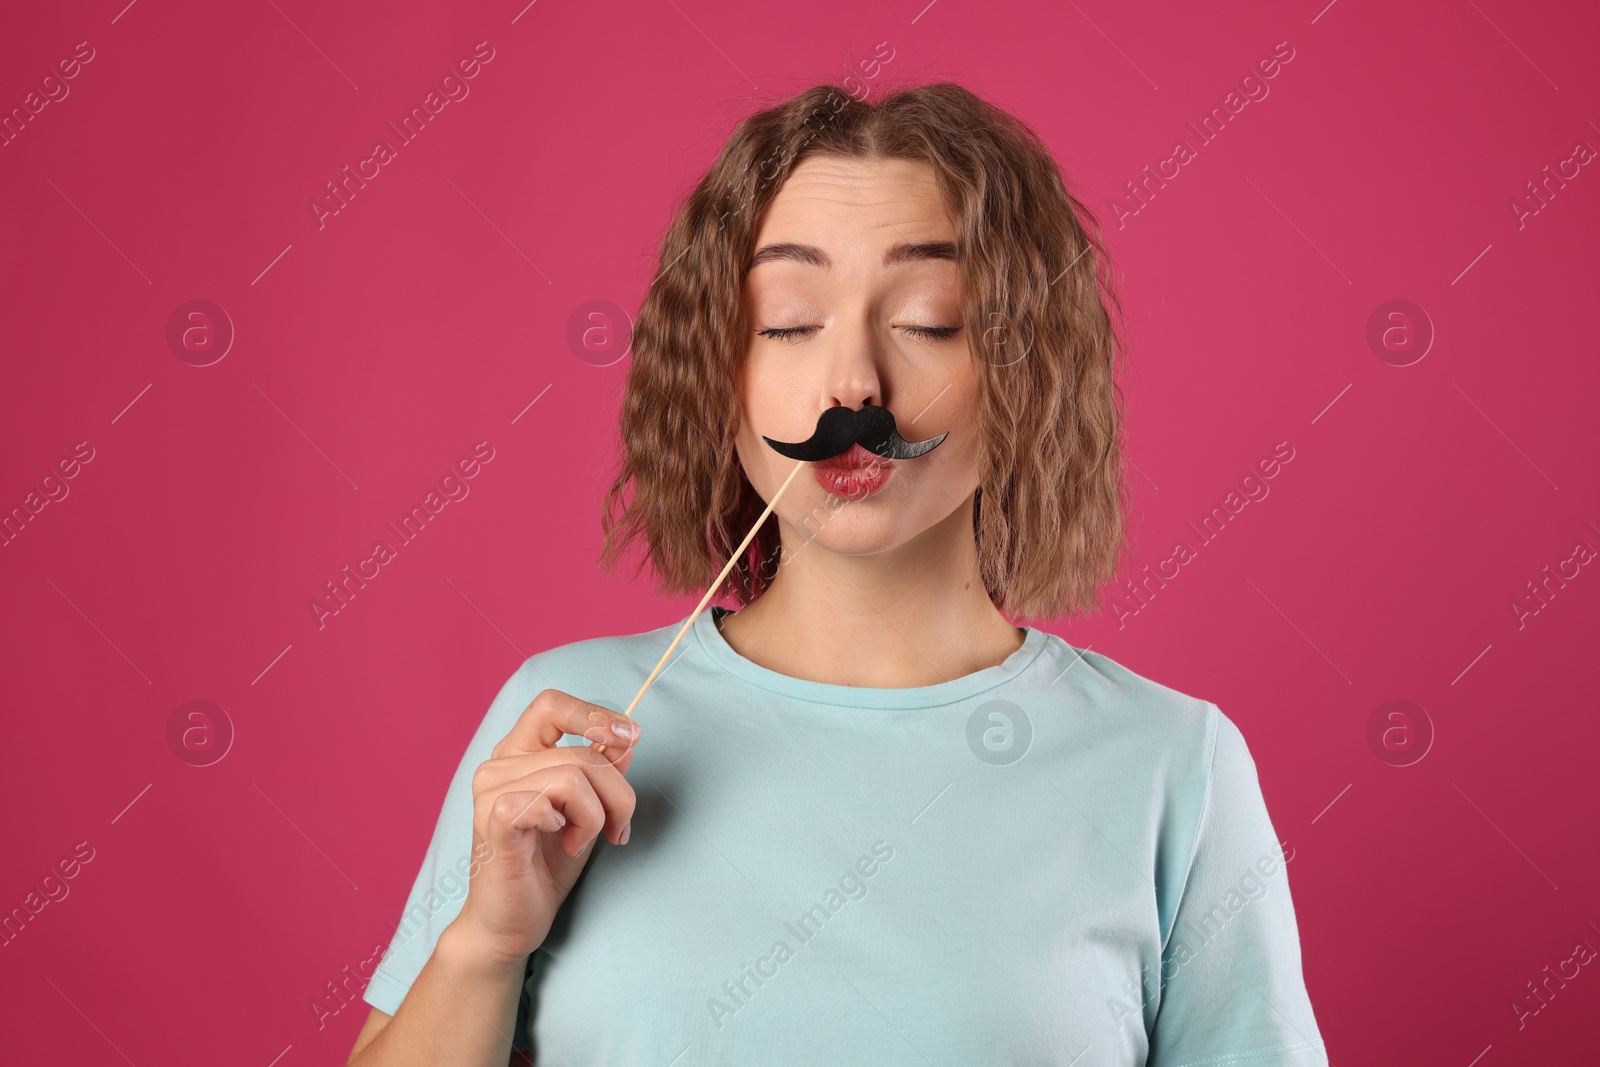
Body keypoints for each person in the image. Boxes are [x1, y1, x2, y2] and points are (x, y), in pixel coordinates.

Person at [346, 81, 1328, 1066]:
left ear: (1023, 368)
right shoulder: (569, 723)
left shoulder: (1170, 763)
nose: (852, 382)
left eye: (930, 319)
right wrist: (486, 943)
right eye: (787, 322)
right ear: (719, 375)